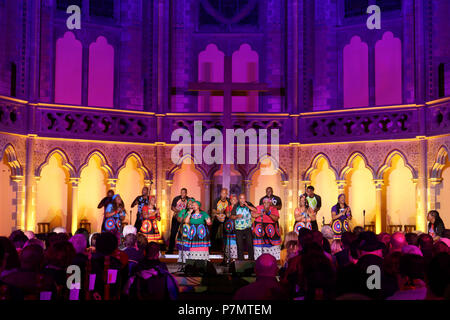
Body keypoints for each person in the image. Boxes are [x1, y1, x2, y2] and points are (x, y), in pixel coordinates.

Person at [230, 193, 257, 261]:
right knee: (240, 245)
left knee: (250, 244)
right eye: (241, 198)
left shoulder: (248, 204)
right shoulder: (236, 206)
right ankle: (241, 261)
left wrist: (248, 206)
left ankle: (251, 260)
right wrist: (236, 216)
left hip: (247, 228)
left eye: (243, 198)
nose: (242, 200)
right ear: (239, 199)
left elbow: (255, 210)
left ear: (245, 199)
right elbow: (231, 216)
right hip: (238, 228)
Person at [167, 188, 189, 253]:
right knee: (173, 233)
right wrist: (179, 211)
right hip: (176, 218)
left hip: (184, 219)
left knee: (184, 233)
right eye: (181, 192)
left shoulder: (188, 199)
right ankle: (170, 250)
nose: (182, 194)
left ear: (186, 193)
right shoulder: (176, 198)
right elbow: (172, 207)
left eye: (184, 193)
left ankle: (184, 249)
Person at [223, 194, 238, 261]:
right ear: (230, 200)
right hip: (229, 226)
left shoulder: (238, 207)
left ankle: (234, 258)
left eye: (235, 199)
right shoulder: (228, 207)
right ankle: (228, 257)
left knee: (235, 242)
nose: (233, 201)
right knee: (228, 242)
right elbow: (228, 215)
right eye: (232, 199)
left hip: (236, 226)